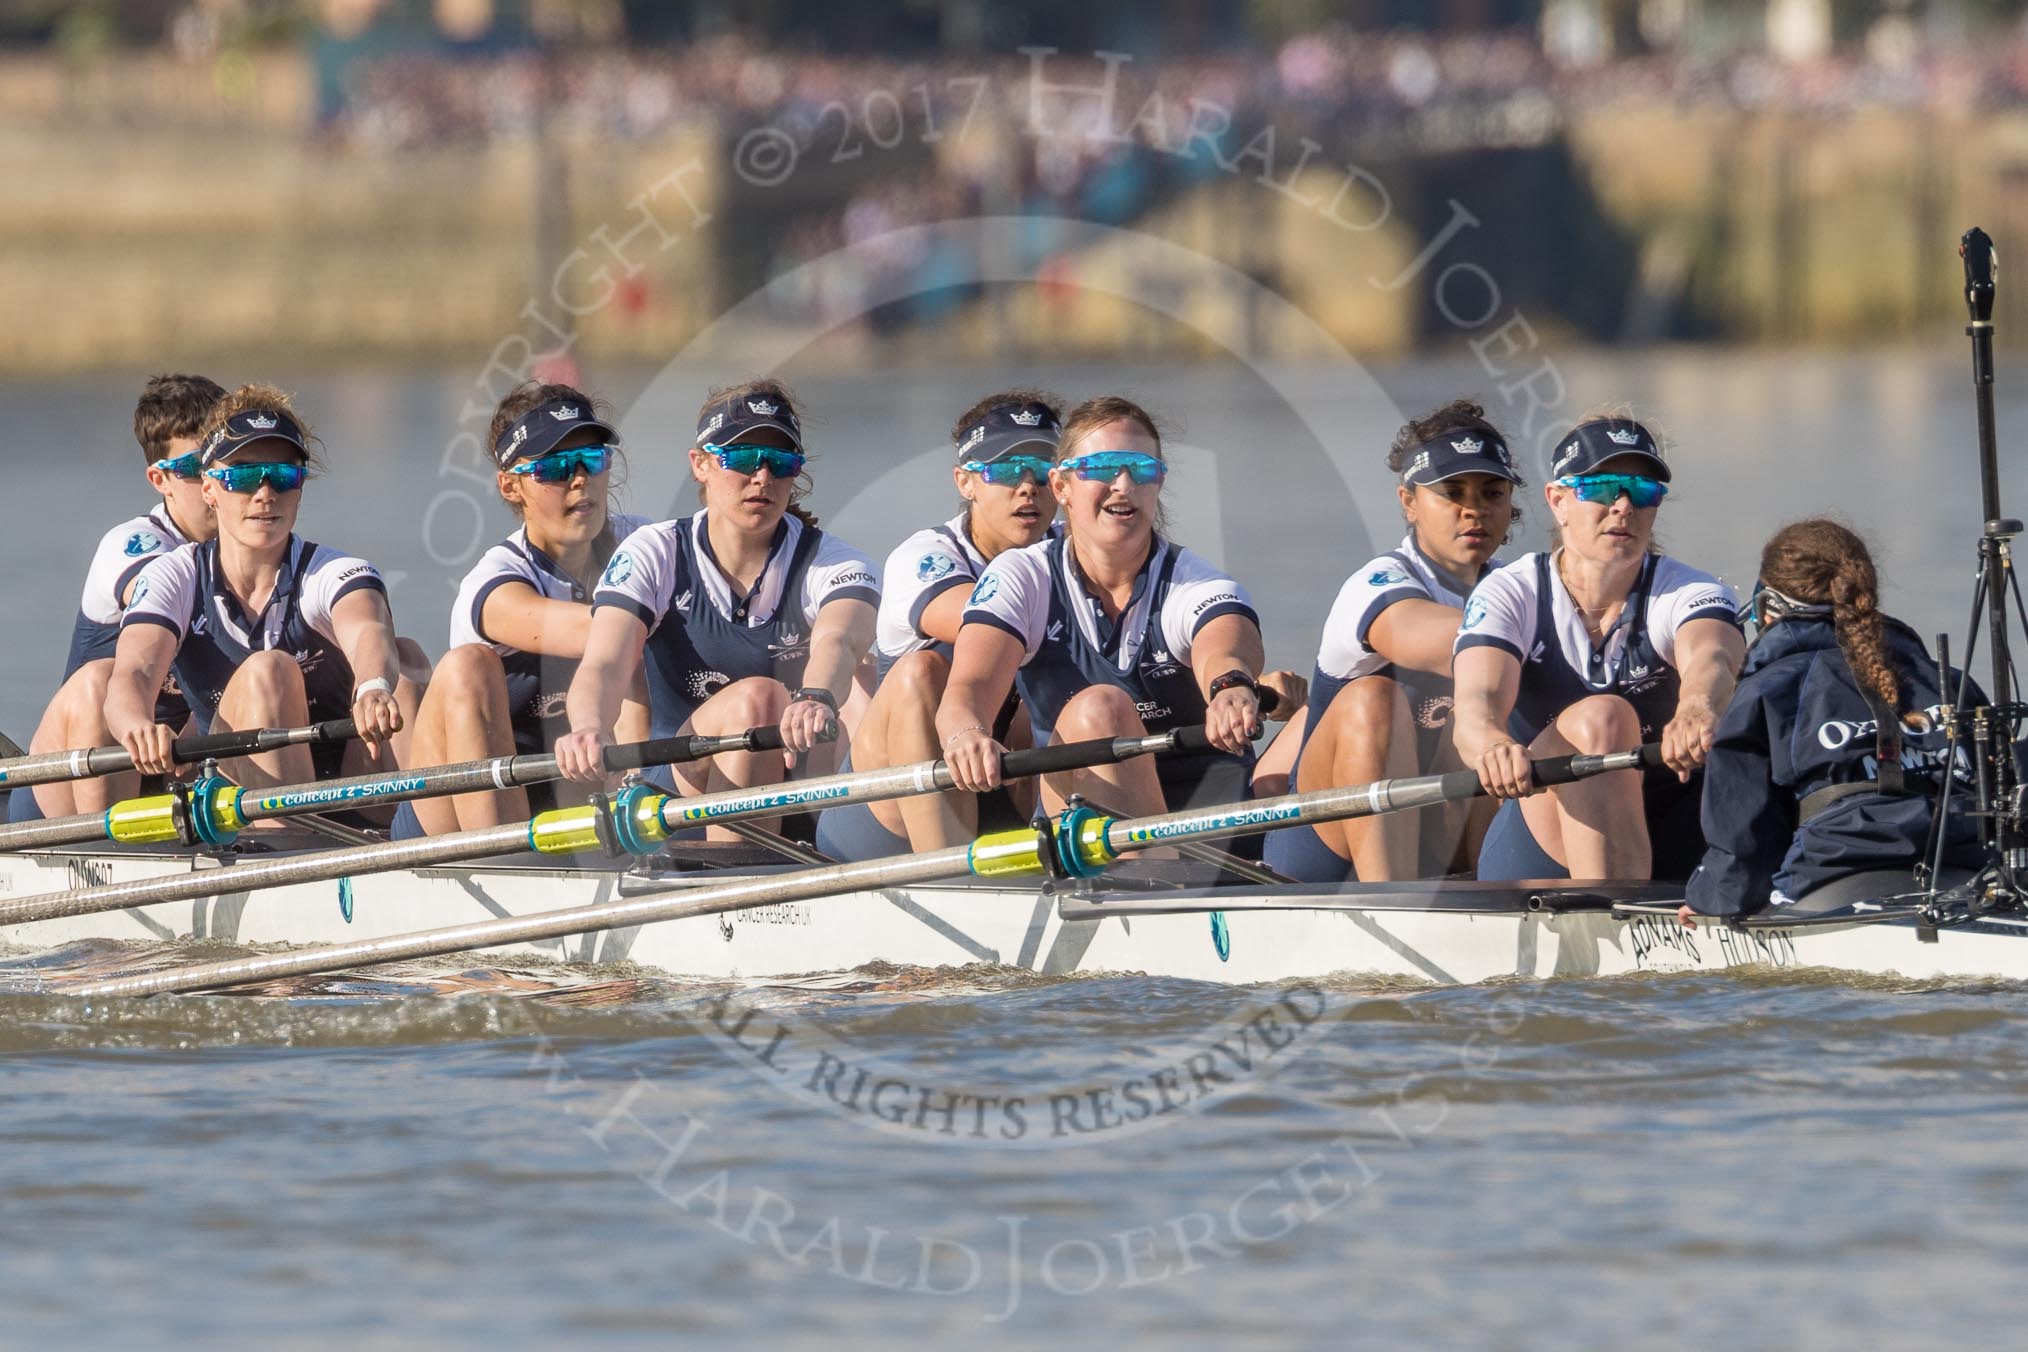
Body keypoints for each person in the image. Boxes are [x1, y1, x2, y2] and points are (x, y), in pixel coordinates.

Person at [935, 395, 1300, 832]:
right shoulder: (1022, 576)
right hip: (1083, 821)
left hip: (1213, 822)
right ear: (1061, 486)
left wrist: (1230, 687)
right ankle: (1155, 875)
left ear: (1158, 484)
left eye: (1142, 469)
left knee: (1352, 697)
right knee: (1100, 708)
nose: (1124, 485)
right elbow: (970, 686)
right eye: (1103, 468)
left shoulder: (1194, 582)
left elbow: (1224, 644)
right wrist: (966, 735)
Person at [556, 380, 879, 837]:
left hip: (799, 780)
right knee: (761, 699)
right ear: (701, 465)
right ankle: (735, 873)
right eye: (742, 459)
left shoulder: (837, 561)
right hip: (676, 791)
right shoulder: (656, 551)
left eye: (780, 463)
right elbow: (604, 661)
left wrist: (816, 696)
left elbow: (841, 640)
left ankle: (854, 846)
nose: (762, 477)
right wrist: (588, 727)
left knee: (868, 683)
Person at [1452, 413, 1746, 881]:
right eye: (1604, 488)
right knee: (1602, 718)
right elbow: (1476, 707)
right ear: (1558, 500)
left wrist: (1695, 706)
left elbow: (1713, 657)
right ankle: (1619, 920)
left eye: (1643, 490)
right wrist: (1492, 744)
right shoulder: (1511, 592)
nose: (1624, 506)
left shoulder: (1689, 591)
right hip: (1544, 836)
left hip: (1673, 828)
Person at [106, 385, 418, 791]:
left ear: (300, 489)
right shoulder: (174, 576)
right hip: (234, 802)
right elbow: (134, 671)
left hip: (348, 788)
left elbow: (367, 632)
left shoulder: (336, 572)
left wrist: (375, 687)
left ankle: (416, 840)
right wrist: (138, 728)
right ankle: (285, 840)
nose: (266, 494)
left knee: (409, 663)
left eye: (284, 476)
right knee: (269, 670)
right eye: (244, 476)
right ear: (209, 489)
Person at [1264, 399, 1520, 882]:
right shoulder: (1378, 583)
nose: (1474, 510)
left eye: (1492, 493)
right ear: (1408, 502)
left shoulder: (1520, 588)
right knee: (1373, 698)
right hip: (1325, 849)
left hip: (1453, 838)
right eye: (1452, 492)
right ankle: (1393, 906)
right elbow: (1443, 640)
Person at [1680, 519, 1982, 924]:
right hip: (1968, 877)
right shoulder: (1950, 681)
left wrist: (1710, 901)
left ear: (1767, 607)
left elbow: (1744, 843)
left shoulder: (1765, 691)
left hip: (1828, 881)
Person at [395, 382, 651, 837]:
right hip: (460, 813)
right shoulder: (494, 584)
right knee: (468, 665)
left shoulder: (647, 544)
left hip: (571, 797)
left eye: (592, 459)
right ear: (511, 486)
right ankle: (502, 861)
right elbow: (603, 631)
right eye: (553, 468)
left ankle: (644, 823)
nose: (579, 479)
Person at [815, 390, 1062, 860]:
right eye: (1006, 470)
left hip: (1006, 787)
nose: (1028, 486)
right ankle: (947, 876)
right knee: (923, 671)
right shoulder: (924, 557)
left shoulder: (1079, 551)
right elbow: (994, 622)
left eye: (1043, 470)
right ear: (966, 482)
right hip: (886, 821)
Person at [12, 374, 223, 822]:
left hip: (176, 773)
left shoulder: (256, 553)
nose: (212, 483)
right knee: (100, 682)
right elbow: (166, 594)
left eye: (224, 464)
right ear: (160, 479)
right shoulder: (134, 544)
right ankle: (105, 856)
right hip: (67, 792)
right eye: (193, 469)